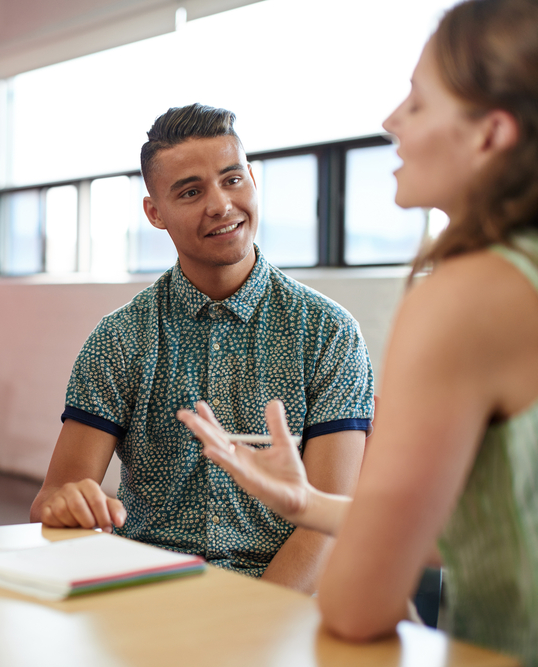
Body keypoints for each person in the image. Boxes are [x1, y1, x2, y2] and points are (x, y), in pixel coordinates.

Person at [178, 0, 538, 662]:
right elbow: (479, 528)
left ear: (490, 133)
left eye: (419, 102)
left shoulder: (466, 296)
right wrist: (309, 501)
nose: (389, 121)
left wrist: (366, 548)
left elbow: (355, 605)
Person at [30, 104, 375, 593]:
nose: (220, 205)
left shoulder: (328, 333)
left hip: (281, 601)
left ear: (253, 180)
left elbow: (325, 524)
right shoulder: (120, 339)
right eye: (191, 192)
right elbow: (52, 498)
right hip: (145, 596)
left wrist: (250, 621)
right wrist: (68, 506)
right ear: (155, 212)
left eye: (233, 180)